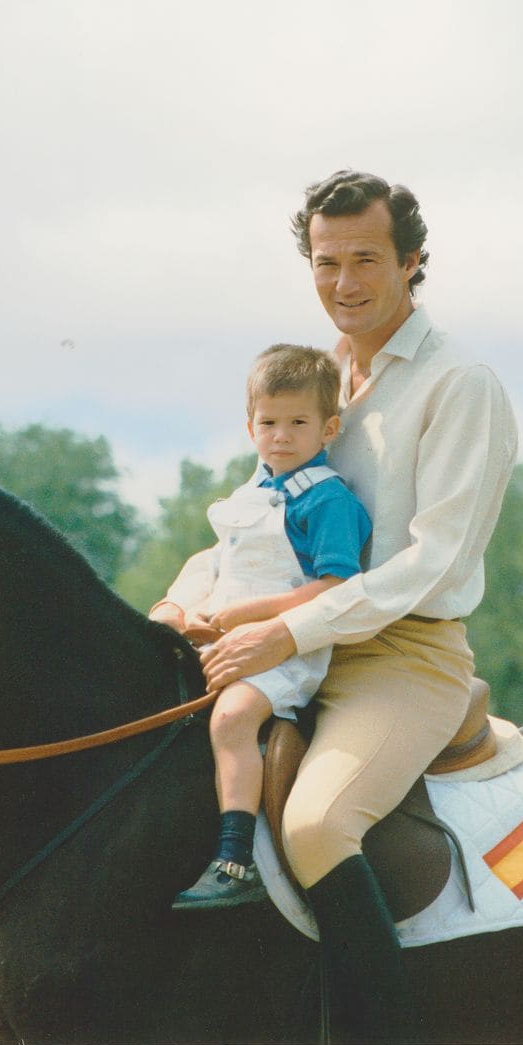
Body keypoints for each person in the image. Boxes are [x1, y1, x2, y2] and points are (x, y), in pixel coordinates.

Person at [152, 171, 518, 1044]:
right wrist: (179, 598)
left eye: (366, 260)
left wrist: (285, 631)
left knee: (317, 824)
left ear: (413, 261)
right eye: (326, 262)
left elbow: (434, 562)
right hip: (286, 645)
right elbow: (256, 530)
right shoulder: (314, 386)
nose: (344, 282)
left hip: (403, 659)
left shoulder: (459, 384)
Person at [157, 343, 371, 910]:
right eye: (268, 423)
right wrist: (182, 609)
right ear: (250, 428)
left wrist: (243, 616)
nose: (280, 436)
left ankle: (235, 858)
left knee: (231, 719)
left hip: (289, 649)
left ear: (328, 428)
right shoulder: (252, 495)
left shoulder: (326, 500)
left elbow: (335, 588)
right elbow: (218, 564)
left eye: (297, 423)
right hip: (228, 639)